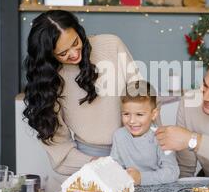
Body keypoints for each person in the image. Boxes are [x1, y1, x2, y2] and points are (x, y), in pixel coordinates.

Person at [23, 10, 140, 175]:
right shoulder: (49, 81)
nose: (74, 54)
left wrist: (154, 147)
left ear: (79, 31)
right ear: (48, 56)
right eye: (63, 53)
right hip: (90, 162)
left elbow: (143, 98)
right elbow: (60, 150)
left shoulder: (112, 45)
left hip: (135, 153)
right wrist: (95, 164)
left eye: (75, 42)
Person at [110, 81, 179, 185]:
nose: (132, 121)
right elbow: (114, 167)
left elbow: (172, 172)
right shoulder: (118, 136)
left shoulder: (162, 137)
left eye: (139, 114)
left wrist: (141, 178)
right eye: (126, 114)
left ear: (154, 114)